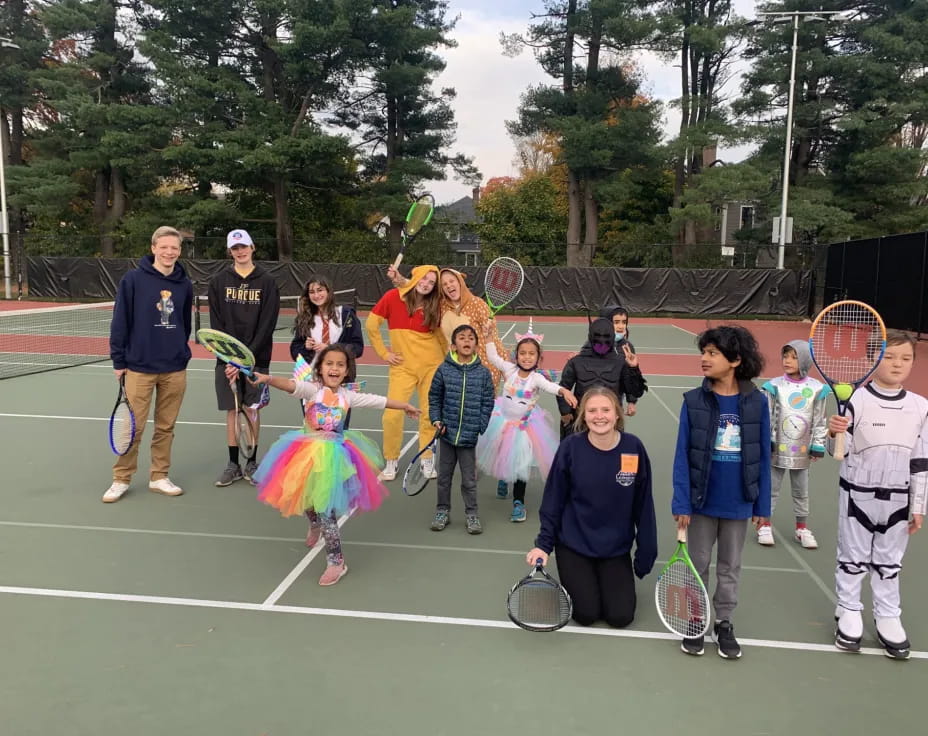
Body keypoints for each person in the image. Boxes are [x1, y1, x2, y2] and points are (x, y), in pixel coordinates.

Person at [234, 345, 420, 586]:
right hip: (306, 453)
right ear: (320, 369)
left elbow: (377, 400)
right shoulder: (313, 390)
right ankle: (313, 524)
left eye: (340, 365)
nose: (334, 368)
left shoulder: (347, 395)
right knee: (308, 498)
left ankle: (336, 561)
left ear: (346, 371)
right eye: (329, 363)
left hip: (334, 458)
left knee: (326, 510)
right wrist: (268, 378)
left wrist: (404, 406)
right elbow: (291, 385)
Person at [671, 325, 771, 659]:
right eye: (704, 352)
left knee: (730, 566)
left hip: (739, 502)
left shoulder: (757, 402)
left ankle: (724, 622)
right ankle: (697, 620)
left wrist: (762, 505)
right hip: (700, 502)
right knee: (697, 564)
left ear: (735, 359)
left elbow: (762, 456)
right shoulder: (693, 401)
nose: (704, 359)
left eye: (713, 353)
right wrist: (681, 501)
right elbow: (682, 456)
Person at [827, 330, 927, 660]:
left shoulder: (921, 408)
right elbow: (837, 453)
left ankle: (887, 615)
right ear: (872, 360)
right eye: (889, 357)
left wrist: (919, 505)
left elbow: (921, 460)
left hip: (899, 498)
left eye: (906, 358)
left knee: (888, 561)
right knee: (853, 557)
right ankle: (848, 609)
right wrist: (833, 433)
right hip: (857, 494)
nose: (898, 364)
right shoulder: (855, 401)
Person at [525, 387, 657, 628]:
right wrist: (543, 545)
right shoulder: (570, 448)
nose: (599, 416)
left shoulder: (633, 448)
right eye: (592, 410)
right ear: (583, 416)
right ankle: (578, 575)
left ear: (617, 414)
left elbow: (643, 504)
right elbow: (554, 499)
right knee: (586, 614)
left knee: (620, 617)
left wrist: (646, 551)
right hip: (574, 544)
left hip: (615, 548)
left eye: (605, 410)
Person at [103, 226, 193, 503]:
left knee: (166, 427)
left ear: (179, 251)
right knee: (133, 427)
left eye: (174, 248)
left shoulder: (184, 283)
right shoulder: (133, 280)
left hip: (174, 368)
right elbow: (120, 322)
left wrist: (179, 350)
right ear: (153, 248)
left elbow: (185, 323)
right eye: (164, 247)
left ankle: (159, 476)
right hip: (139, 368)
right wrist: (119, 360)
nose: (169, 252)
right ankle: (121, 478)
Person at [476, 321, 577, 522]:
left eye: (532, 353)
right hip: (502, 422)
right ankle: (504, 478)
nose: (527, 357)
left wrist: (564, 390)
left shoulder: (536, 379)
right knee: (502, 454)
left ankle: (518, 502)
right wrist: (487, 338)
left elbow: (550, 386)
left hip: (524, 428)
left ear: (538, 358)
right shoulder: (509, 370)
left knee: (520, 463)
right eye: (523, 353)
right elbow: (492, 357)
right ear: (516, 355)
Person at [208, 229, 280, 487]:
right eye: (235, 248)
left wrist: (244, 359)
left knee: (252, 409)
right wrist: (229, 358)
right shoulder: (217, 282)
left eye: (244, 246)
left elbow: (267, 323)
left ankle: (252, 462)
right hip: (225, 361)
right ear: (230, 251)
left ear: (253, 247)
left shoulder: (267, 282)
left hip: (256, 359)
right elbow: (216, 324)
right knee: (231, 410)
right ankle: (233, 464)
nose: (240, 251)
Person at [366, 265, 446, 481]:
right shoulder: (392, 297)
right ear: (416, 277)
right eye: (424, 279)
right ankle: (391, 461)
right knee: (391, 415)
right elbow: (371, 325)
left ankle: (427, 459)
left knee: (429, 414)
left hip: (432, 366)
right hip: (402, 367)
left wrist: (448, 362)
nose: (427, 284)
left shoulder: (436, 305)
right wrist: (384, 353)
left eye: (432, 282)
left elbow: (442, 338)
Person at [758, 340, 830, 548]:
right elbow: (768, 417)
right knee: (771, 488)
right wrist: (768, 441)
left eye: (794, 357)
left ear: (805, 360)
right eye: (785, 356)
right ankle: (764, 524)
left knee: (801, 491)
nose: (787, 361)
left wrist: (817, 445)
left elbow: (819, 420)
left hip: (802, 451)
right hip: (777, 449)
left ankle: (801, 528)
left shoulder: (816, 389)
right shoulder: (774, 387)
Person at [428, 324, 496, 534]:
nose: (466, 341)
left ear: (476, 344)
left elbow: (488, 401)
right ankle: (442, 511)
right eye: (462, 337)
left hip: (468, 437)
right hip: (446, 436)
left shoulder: (483, 373)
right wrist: (437, 420)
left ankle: (472, 514)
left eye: (470, 338)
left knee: (469, 480)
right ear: (454, 344)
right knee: (444, 478)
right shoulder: (444, 369)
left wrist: (480, 425)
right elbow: (434, 397)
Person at [289, 275, 364, 427]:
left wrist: (330, 349)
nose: (316, 295)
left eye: (320, 290)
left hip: (340, 379)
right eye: (312, 292)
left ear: (329, 291)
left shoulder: (345, 314)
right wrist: (305, 347)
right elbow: (294, 350)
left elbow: (358, 347)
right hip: (312, 380)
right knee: (314, 430)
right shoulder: (305, 319)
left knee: (339, 429)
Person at [557, 317, 646, 439]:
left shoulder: (621, 363)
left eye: (606, 336)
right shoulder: (576, 362)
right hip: (580, 421)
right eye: (598, 336)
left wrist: (633, 368)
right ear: (591, 337)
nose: (602, 340)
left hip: (611, 423)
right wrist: (565, 412)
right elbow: (563, 388)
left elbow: (636, 391)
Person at [598, 304, 647, 416]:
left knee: (615, 432)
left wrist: (631, 401)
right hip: (592, 403)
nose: (621, 326)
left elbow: (628, 377)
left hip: (615, 403)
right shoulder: (593, 346)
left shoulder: (627, 347)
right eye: (616, 322)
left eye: (624, 322)